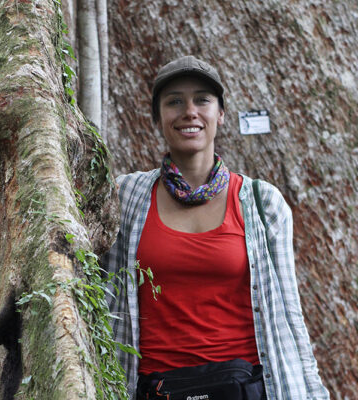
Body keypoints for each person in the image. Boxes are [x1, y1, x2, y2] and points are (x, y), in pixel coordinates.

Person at [102, 56, 330, 400]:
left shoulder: (261, 203)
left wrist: (314, 392)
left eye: (202, 100)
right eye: (174, 101)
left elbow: (289, 314)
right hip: (155, 389)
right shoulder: (127, 197)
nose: (189, 111)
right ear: (158, 117)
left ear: (220, 114)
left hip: (244, 388)